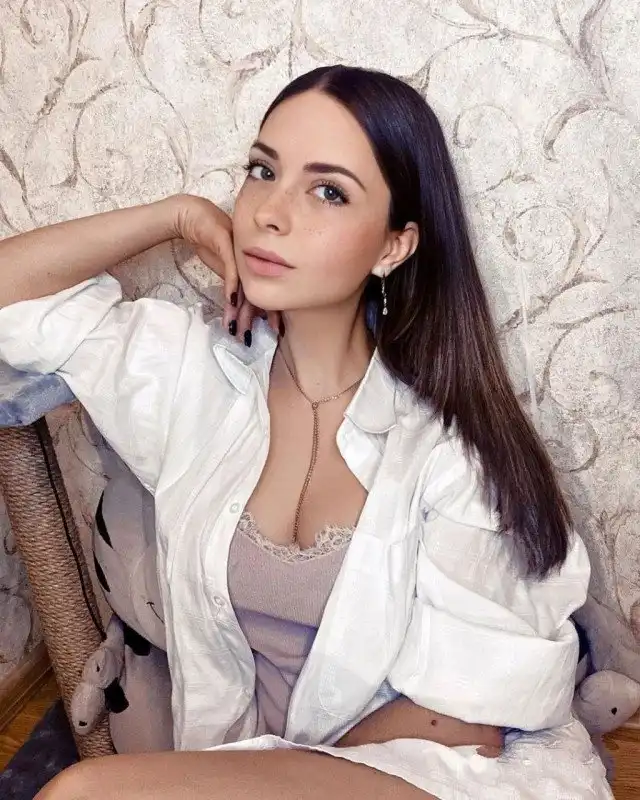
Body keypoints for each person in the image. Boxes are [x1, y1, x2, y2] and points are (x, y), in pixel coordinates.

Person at [0, 66, 611, 799]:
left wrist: (253, 783)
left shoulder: (450, 450)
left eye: (329, 191)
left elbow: (464, 719)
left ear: (393, 247)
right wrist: (180, 216)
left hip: (434, 770)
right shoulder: (196, 379)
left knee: (81, 791)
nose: (269, 212)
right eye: (263, 171)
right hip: (247, 771)